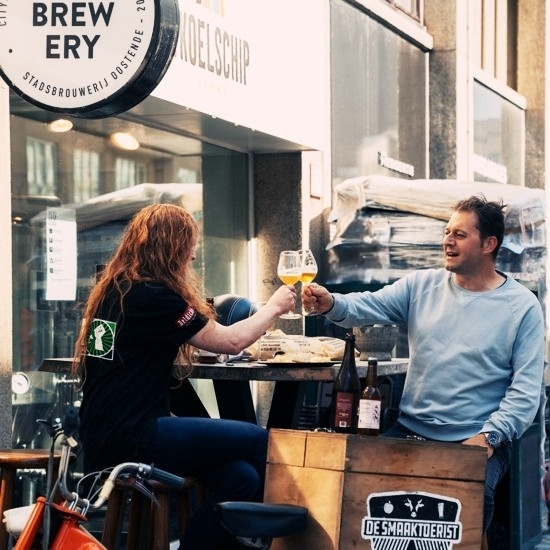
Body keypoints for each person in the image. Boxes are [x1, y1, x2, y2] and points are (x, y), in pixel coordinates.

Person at [302, 194, 544, 542]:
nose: (447, 241)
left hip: (476, 436)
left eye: (460, 234)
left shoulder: (523, 307)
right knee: (360, 489)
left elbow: (524, 396)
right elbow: (368, 305)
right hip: (411, 429)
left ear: (489, 243)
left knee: (467, 507)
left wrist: (488, 437)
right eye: (447, 232)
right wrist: (331, 303)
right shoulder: (422, 285)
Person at [72, 203, 296, 549]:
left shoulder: (114, 292)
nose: (192, 257)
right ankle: (275, 542)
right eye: (189, 245)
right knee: (259, 441)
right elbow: (230, 341)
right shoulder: (156, 298)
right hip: (136, 436)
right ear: (171, 248)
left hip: (104, 432)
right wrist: (274, 307)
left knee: (240, 477)